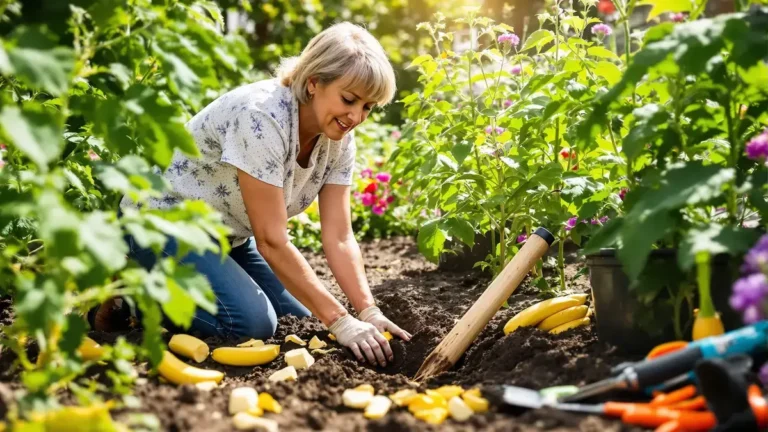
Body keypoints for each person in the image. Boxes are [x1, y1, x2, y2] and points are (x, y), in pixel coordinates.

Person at [93, 22, 411, 368]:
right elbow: (272, 240)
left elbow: (339, 236)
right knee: (251, 324)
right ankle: (131, 292)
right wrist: (341, 320)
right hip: (161, 226)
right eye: (349, 99)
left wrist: (368, 311)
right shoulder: (261, 117)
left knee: (299, 318)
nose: (356, 117)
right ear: (314, 82)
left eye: (368, 107)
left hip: (226, 238)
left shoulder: (338, 139)